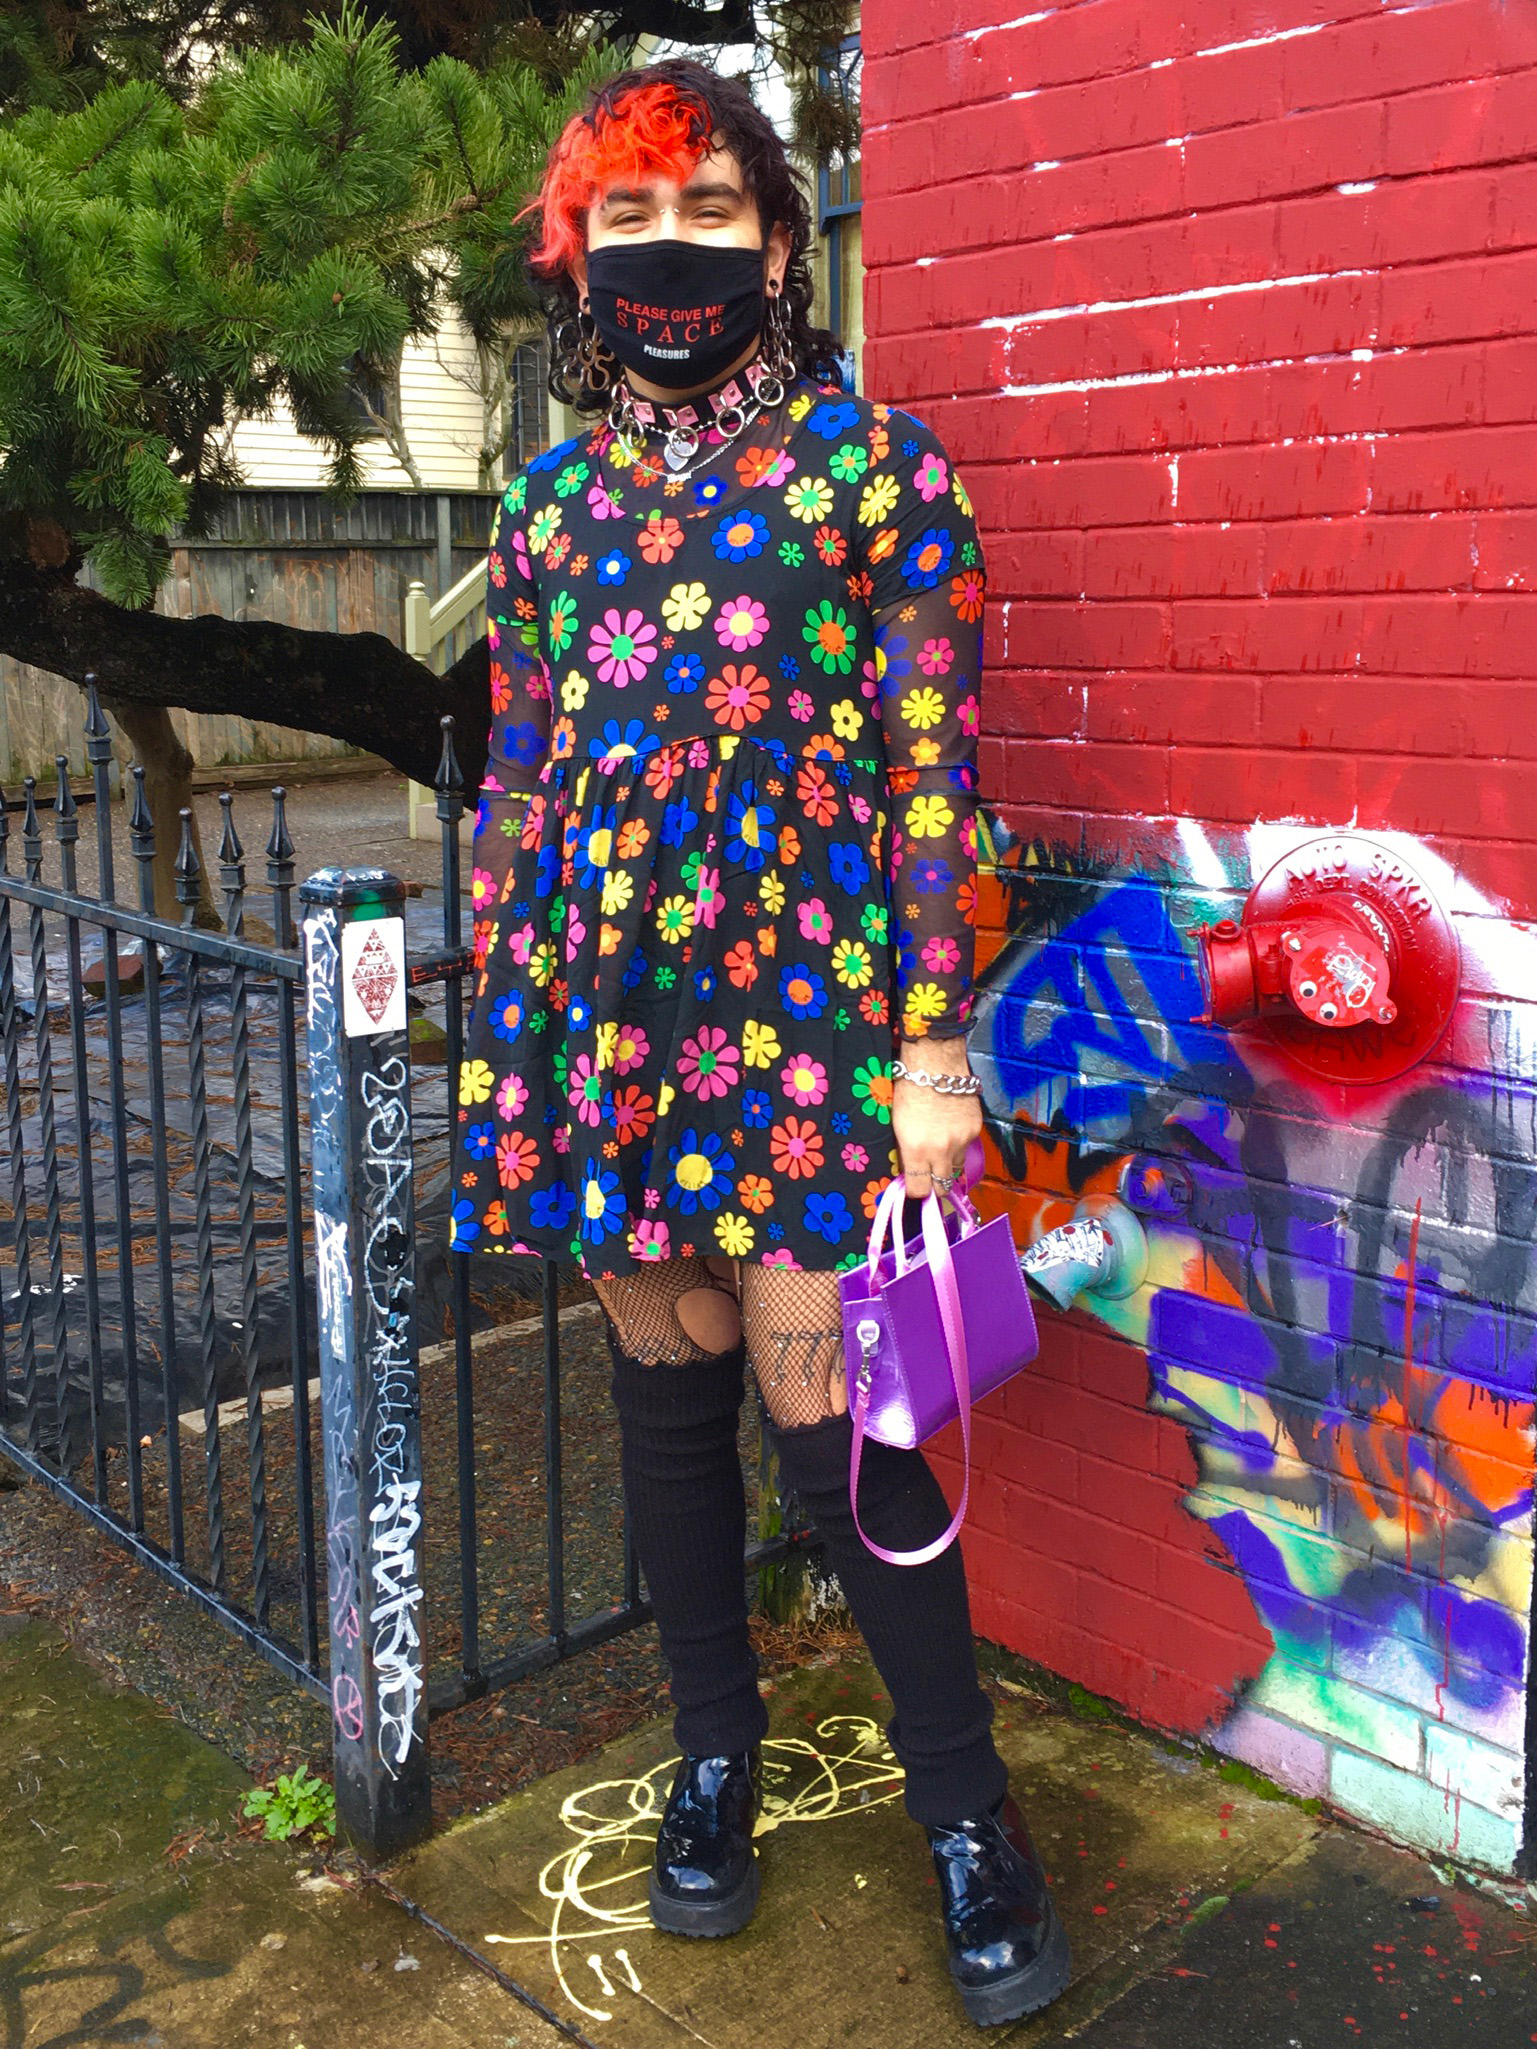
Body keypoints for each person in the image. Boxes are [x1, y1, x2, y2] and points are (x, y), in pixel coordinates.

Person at [450, 58, 1070, 2028]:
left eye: (710, 210)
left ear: (782, 243)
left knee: (841, 1428)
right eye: (627, 218)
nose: (669, 255)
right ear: (577, 254)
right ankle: (711, 1753)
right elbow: (521, 783)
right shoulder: (543, 507)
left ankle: (967, 1807)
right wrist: (498, 1038)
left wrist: (934, 1046)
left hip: (807, 1030)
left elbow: (931, 781)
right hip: (604, 1020)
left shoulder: (882, 472)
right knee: (661, 1404)